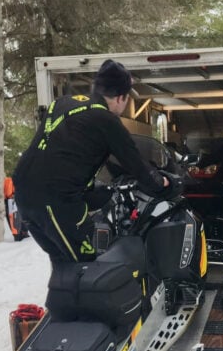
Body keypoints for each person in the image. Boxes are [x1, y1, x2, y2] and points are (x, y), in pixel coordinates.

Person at [13, 59, 169, 262]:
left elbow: (69, 153)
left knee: (63, 263)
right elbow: (136, 164)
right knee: (85, 266)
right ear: (121, 97)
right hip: (56, 200)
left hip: (24, 194)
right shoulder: (106, 120)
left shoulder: (61, 104)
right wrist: (162, 183)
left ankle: (63, 293)